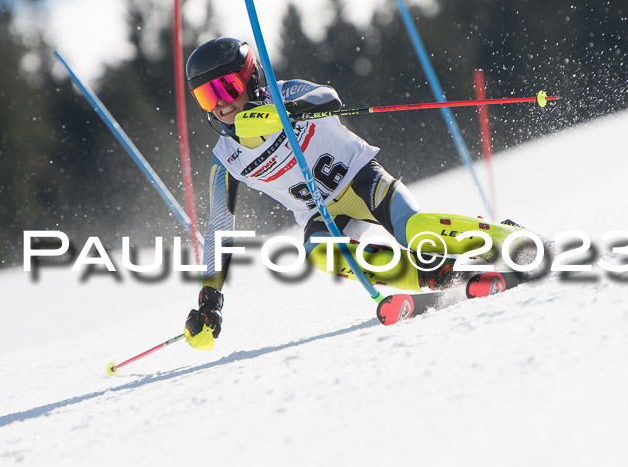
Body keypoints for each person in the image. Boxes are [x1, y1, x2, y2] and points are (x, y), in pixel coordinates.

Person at [183, 37, 523, 350]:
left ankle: (503, 239)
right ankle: (433, 274)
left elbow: (328, 97)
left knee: (415, 229)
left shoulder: (283, 94)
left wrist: (283, 114)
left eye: (227, 87)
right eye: (206, 96)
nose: (221, 104)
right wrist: (210, 299)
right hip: (325, 214)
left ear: (251, 79)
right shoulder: (226, 158)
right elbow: (219, 227)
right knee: (318, 251)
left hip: (362, 180)